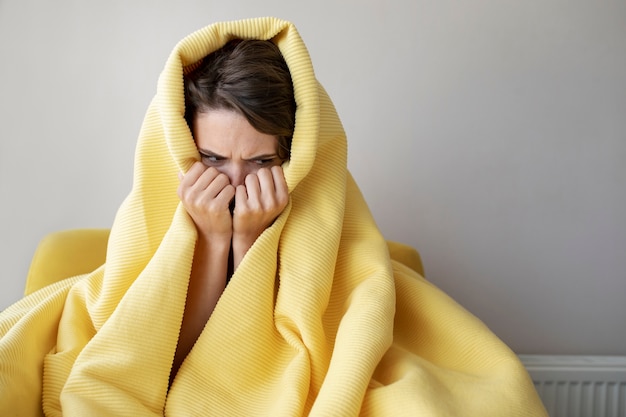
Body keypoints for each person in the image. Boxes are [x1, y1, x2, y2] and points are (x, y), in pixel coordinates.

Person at [0, 17, 548, 416]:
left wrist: (253, 244)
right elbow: (162, 359)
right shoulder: (162, 199)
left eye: (261, 161)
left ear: (294, 155)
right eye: (213, 159)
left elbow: (304, 347)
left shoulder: (320, 202)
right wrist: (217, 243)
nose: (235, 182)